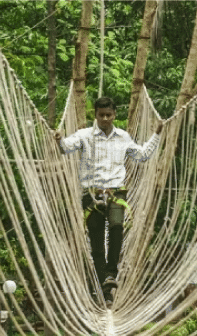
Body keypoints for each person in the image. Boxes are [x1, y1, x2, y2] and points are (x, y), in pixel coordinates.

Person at [55, 96, 163, 306]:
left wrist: (157, 134)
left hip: (116, 192)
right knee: (96, 244)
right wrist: (59, 139)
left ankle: (111, 273)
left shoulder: (123, 137)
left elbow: (142, 155)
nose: (105, 119)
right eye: (101, 115)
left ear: (114, 115)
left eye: (109, 115)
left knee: (116, 227)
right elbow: (66, 147)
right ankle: (105, 288)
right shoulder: (85, 135)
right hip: (91, 194)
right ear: (95, 115)